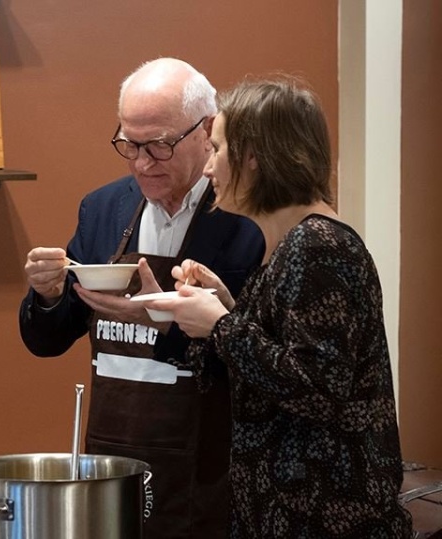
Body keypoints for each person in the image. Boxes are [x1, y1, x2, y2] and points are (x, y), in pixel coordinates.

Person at [146, 78, 413, 537]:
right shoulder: (290, 246)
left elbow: (319, 389)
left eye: (216, 149)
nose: (208, 169)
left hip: (325, 521)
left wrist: (222, 325)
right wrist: (224, 309)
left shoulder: (320, 245)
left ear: (254, 157)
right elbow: (280, 359)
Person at [19, 58, 264, 538]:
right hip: (115, 450)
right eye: (129, 144)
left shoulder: (246, 218)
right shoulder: (103, 208)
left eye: (160, 145)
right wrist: (46, 294)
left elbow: (260, 360)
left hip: (211, 462)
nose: (142, 163)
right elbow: (49, 339)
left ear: (208, 130)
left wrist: (169, 319)